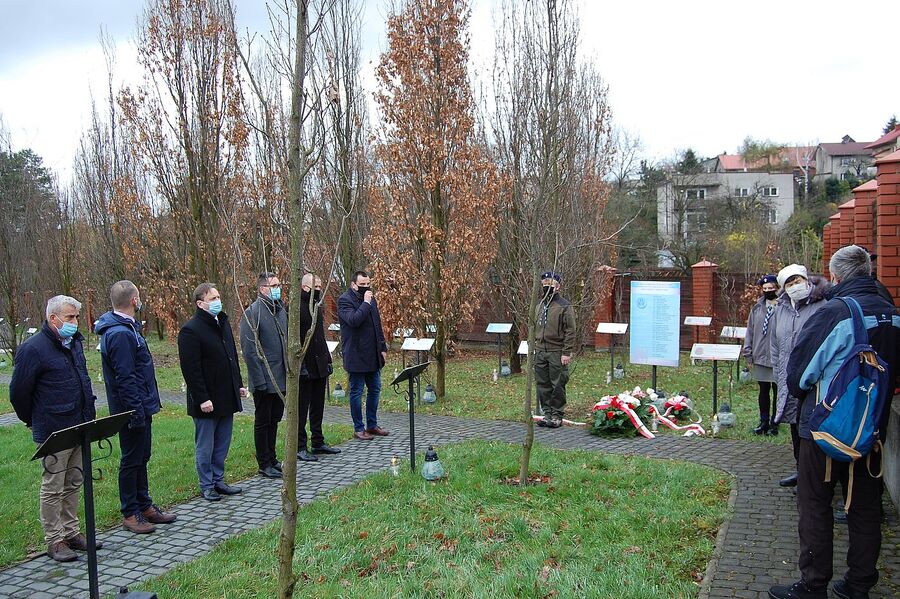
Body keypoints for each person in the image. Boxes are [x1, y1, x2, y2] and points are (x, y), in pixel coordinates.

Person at [769, 245, 900, 599]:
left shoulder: (835, 313)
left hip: (825, 427)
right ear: (869, 271)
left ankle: (813, 585)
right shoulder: (892, 313)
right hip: (871, 429)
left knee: (815, 504)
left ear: (837, 276)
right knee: (865, 509)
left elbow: (799, 373)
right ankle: (859, 585)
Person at [10, 296, 98, 562]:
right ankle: (55, 539)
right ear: (53, 319)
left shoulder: (74, 344)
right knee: (53, 486)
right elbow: (19, 392)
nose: (75, 322)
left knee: (74, 482)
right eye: (70, 317)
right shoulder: (33, 349)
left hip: (79, 423)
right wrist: (33, 419)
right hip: (53, 428)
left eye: (76, 317)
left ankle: (72, 532)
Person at [95, 281, 176, 534]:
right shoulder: (119, 333)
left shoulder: (128, 328)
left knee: (143, 456)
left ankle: (145, 504)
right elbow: (125, 378)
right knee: (131, 460)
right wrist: (135, 412)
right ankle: (130, 512)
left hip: (141, 406)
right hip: (131, 410)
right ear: (134, 300)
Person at [178, 283, 247, 501]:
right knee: (205, 445)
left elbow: (231, 357)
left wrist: (239, 384)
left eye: (218, 297)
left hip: (226, 394)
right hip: (207, 400)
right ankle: (206, 484)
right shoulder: (191, 330)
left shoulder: (223, 323)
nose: (218, 301)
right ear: (200, 303)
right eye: (213, 298)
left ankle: (219, 480)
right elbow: (191, 369)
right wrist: (202, 398)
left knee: (222, 442)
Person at [769, 264, 829, 488]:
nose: (795, 286)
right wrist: (778, 372)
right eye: (790, 283)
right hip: (789, 379)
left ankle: (817, 477)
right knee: (795, 426)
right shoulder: (781, 309)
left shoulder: (823, 306)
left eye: (798, 281)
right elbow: (775, 345)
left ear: (806, 280)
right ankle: (801, 471)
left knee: (813, 427)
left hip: (815, 380)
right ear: (784, 288)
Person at [240, 272, 286, 479]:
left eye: (278, 284)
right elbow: (250, 351)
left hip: (282, 377)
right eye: (273, 285)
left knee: (275, 419)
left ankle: (273, 458)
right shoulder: (253, 313)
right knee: (263, 421)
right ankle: (264, 462)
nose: (278, 288)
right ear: (262, 289)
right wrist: (259, 381)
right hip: (264, 379)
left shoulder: (281, 310)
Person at [338, 270, 388, 441]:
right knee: (357, 392)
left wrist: (382, 347)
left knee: (375, 388)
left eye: (368, 284)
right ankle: (359, 428)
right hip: (356, 354)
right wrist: (366, 303)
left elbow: (377, 324)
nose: (366, 287)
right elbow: (353, 320)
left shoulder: (371, 299)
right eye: (362, 285)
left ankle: (372, 425)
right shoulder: (345, 300)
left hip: (372, 353)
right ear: (353, 285)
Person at [297, 273, 341, 461]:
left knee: (318, 405)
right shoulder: (296, 308)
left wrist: (327, 360)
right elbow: (296, 340)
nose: (319, 290)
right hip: (304, 365)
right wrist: (301, 366)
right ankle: (300, 446)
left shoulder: (317, 306)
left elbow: (320, 336)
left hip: (319, 362)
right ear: (306, 287)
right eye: (316, 287)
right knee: (301, 408)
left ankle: (318, 441)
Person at [534, 271, 577, 428]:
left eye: (550, 284)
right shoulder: (538, 305)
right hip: (540, 350)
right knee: (543, 383)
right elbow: (534, 327)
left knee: (557, 384)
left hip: (556, 351)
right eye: (544, 284)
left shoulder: (564, 306)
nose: (547, 287)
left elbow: (570, 330)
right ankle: (547, 414)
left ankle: (557, 415)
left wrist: (566, 352)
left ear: (557, 286)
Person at [743, 274, 780, 436]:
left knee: (778, 391)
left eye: (771, 288)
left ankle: (775, 422)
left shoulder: (783, 307)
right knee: (763, 391)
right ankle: (763, 421)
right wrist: (748, 353)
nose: (768, 291)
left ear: (777, 288)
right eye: (765, 289)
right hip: (760, 356)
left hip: (777, 357)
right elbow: (750, 331)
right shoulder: (757, 308)